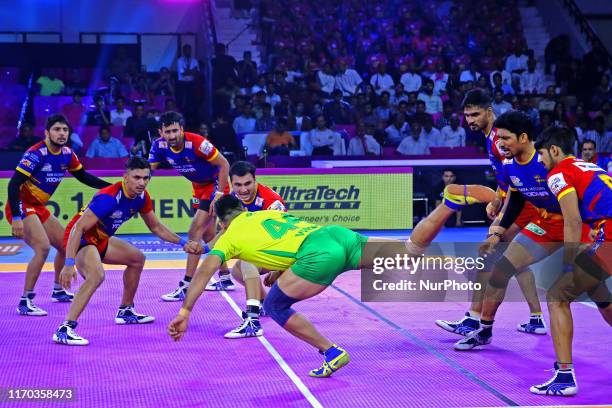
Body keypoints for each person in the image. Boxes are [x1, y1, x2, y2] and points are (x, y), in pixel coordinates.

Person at [168, 184, 498, 376]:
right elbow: (286, 248)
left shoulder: (228, 238)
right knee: (411, 250)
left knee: (275, 304)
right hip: (334, 235)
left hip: (318, 255)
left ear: (221, 221)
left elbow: (205, 272)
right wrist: (279, 271)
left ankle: (330, 351)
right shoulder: (266, 212)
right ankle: (448, 204)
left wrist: (184, 311)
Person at [53, 157, 203, 345]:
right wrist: (69, 263)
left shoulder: (141, 197)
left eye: (145, 178)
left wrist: (183, 242)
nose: (142, 182)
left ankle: (126, 310)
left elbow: (156, 227)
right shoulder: (108, 197)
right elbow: (78, 228)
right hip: (81, 238)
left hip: (101, 238)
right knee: (96, 275)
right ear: (125, 178)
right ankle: (65, 328)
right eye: (137, 177)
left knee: (137, 259)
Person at [454, 111, 569, 352]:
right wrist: (498, 233)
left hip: (580, 223)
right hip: (546, 223)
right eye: (498, 138)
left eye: (505, 138)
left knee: (599, 296)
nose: (500, 143)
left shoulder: (547, 161)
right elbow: (515, 202)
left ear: (524, 137)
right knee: (500, 270)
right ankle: (484, 330)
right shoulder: (509, 166)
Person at [435, 92, 544, 337]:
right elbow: (508, 178)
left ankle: (474, 319)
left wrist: (501, 218)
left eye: (475, 114)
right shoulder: (491, 137)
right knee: (517, 263)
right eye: (467, 115)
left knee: (488, 255)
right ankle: (536, 318)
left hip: (523, 205)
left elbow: (518, 180)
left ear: (489, 111)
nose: (470, 120)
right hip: (518, 201)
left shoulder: (499, 138)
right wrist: (497, 195)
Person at [530, 126, 612, 395]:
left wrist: (566, 262)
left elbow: (573, 220)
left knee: (557, 295)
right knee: (598, 292)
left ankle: (564, 377)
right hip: (604, 233)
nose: (539, 161)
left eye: (541, 154)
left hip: (608, 233)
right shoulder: (589, 166)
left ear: (554, 150)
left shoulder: (558, 173)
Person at [5, 114, 110, 316]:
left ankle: (58, 289)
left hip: (38, 206)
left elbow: (83, 176)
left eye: (65, 130)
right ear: (47, 133)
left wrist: (111, 187)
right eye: (57, 129)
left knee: (65, 243)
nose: (61, 134)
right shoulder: (35, 154)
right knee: (42, 248)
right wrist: (17, 217)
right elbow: (13, 184)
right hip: (21, 204)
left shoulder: (68, 154)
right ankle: (25, 300)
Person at [148, 111, 232, 299]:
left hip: (216, 185)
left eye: (175, 131)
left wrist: (219, 193)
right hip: (198, 187)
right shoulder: (158, 145)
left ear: (182, 129)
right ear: (160, 132)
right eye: (167, 132)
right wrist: (137, 186)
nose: (172, 136)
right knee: (209, 233)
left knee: (195, 230)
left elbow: (224, 164)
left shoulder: (197, 143)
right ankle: (226, 276)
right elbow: (149, 171)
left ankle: (187, 285)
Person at [221, 161, 286, 338]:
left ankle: (252, 320)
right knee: (237, 272)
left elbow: (284, 238)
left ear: (255, 180)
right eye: (238, 185)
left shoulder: (272, 203)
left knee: (248, 262)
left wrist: (280, 270)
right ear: (231, 183)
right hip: (264, 248)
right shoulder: (232, 199)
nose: (243, 190)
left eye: (248, 183)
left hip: (285, 251)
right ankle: (265, 305)